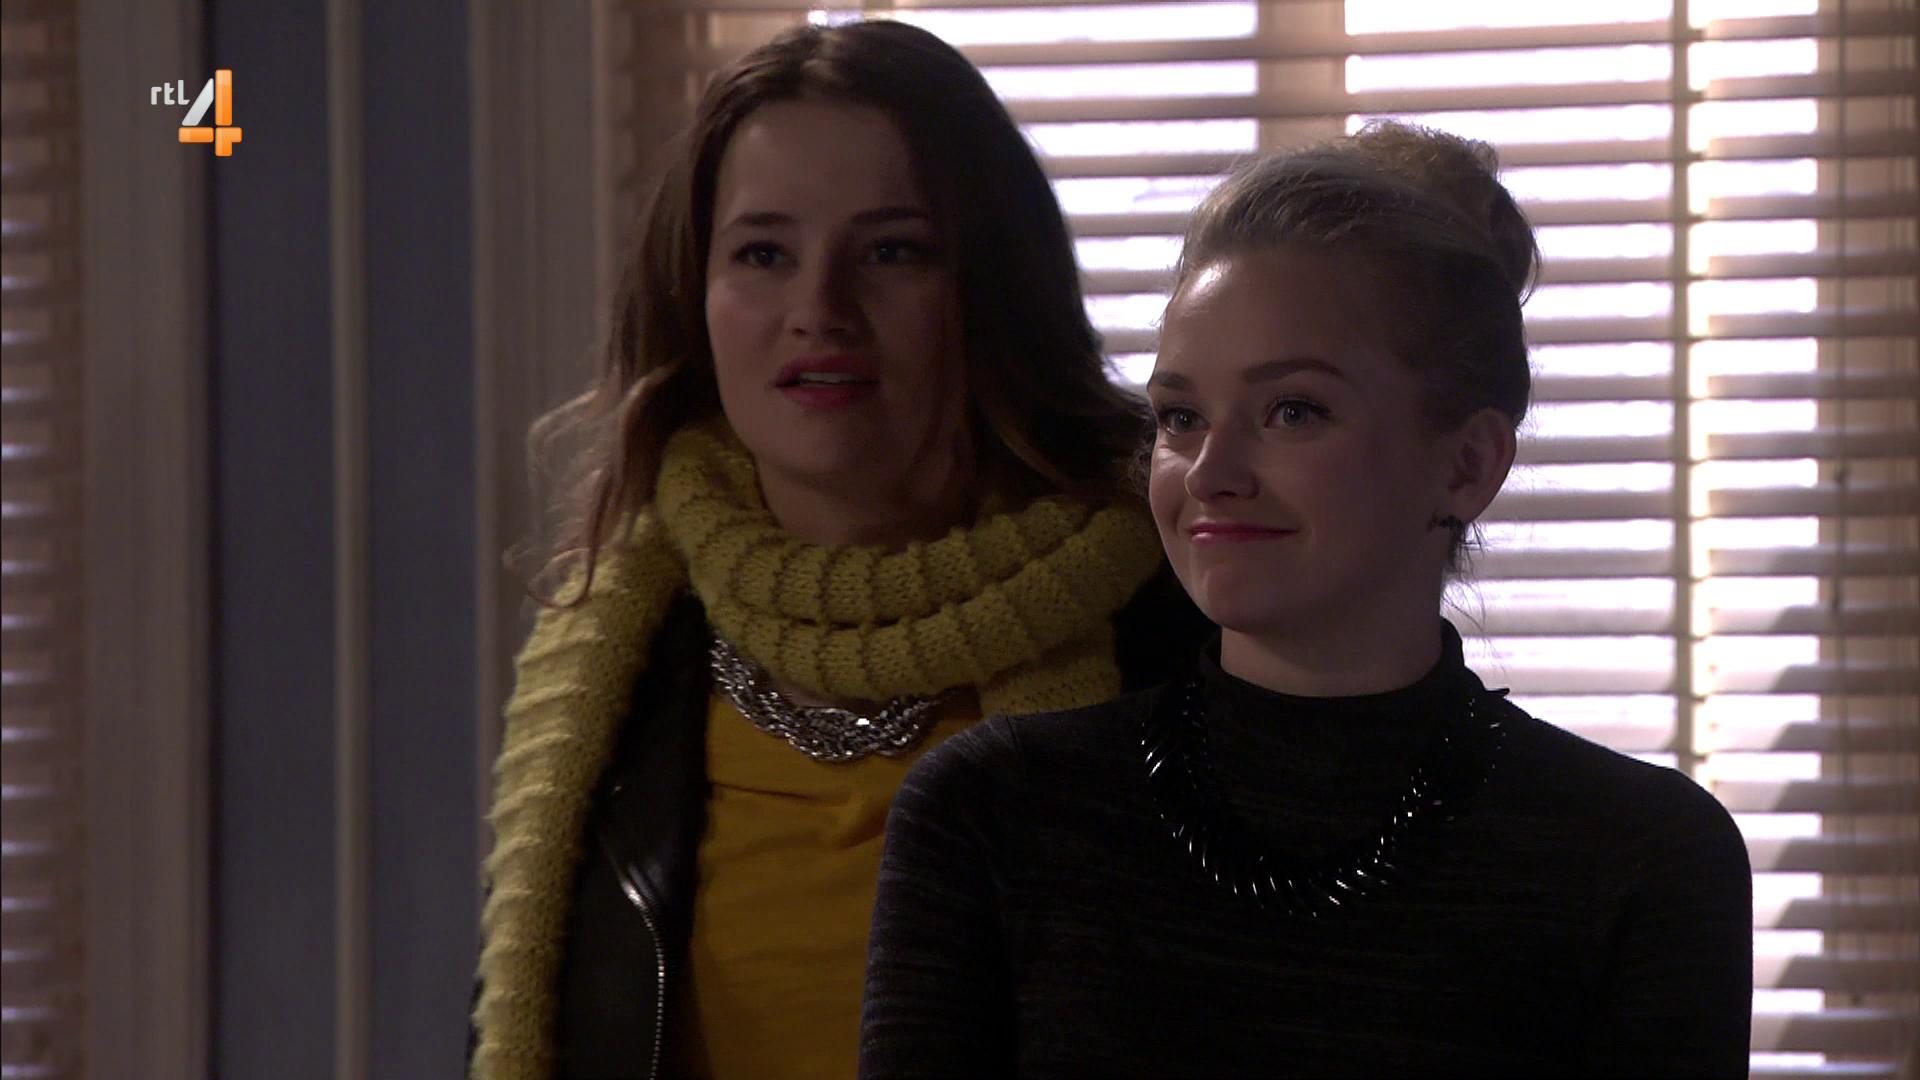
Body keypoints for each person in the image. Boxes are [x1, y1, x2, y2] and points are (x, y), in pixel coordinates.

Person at [861, 122, 1754, 1078]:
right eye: (1181, 417)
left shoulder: (1642, 857)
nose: (1211, 472)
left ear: (1467, 462)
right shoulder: (992, 811)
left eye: (1293, 410)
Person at [467, 18, 1208, 1080]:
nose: (820, 310)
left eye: (893, 252)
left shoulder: (1181, 631)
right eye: (763, 254)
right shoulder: (613, 663)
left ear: (991, 288)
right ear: (696, 295)